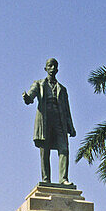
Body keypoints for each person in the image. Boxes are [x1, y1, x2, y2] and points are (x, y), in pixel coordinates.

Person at [23, 58, 76, 186]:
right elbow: (32, 94)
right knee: (44, 150)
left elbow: (67, 109)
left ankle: (63, 179)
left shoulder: (62, 89)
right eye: (50, 66)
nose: (52, 68)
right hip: (45, 119)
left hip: (59, 120)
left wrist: (71, 126)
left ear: (57, 69)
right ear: (45, 68)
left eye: (54, 66)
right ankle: (46, 178)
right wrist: (28, 98)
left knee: (64, 148)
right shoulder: (39, 84)